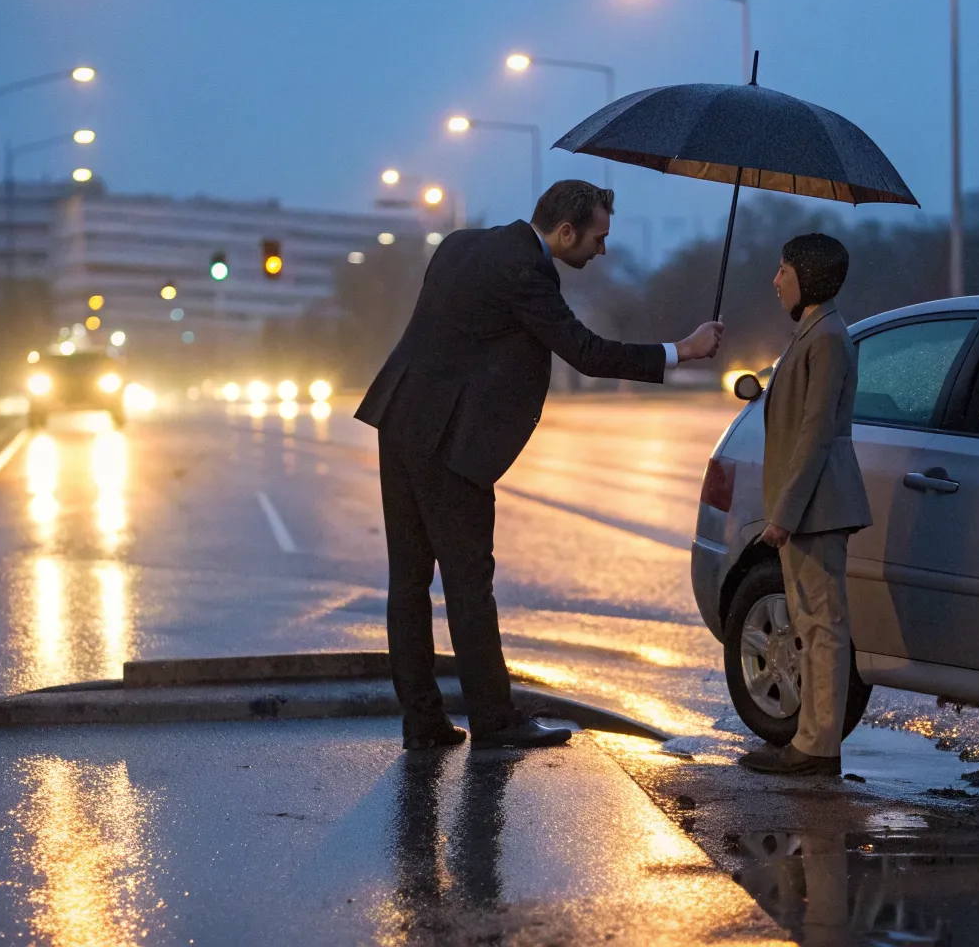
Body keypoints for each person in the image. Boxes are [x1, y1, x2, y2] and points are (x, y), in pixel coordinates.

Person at [356, 180, 725, 751]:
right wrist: (682, 350)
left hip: (399, 418)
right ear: (566, 231)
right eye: (598, 238)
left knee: (407, 581)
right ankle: (494, 721)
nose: (602, 251)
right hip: (449, 443)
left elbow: (458, 342)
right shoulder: (526, 272)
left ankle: (423, 721)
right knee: (468, 584)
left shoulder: (459, 243)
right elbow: (587, 352)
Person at [738, 233, 871, 777]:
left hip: (816, 508)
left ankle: (817, 748)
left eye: (784, 270)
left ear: (808, 277)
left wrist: (783, 516)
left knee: (822, 626)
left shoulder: (829, 338)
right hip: (808, 507)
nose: (775, 280)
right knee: (813, 623)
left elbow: (815, 434)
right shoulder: (813, 333)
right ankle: (811, 741)